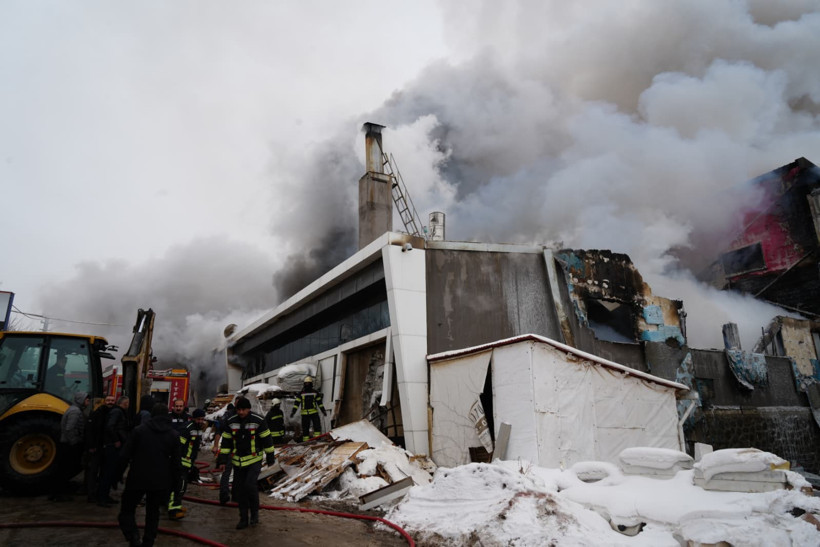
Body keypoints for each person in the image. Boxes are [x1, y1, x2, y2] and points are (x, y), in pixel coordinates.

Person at [118, 403, 181, 547]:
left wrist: (117, 475)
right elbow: (177, 464)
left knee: (126, 510)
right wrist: (176, 486)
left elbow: (124, 455)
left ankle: (133, 537)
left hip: (137, 478)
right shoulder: (173, 435)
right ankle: (148, 543)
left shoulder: (139, 431)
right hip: (160, 481)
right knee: (153, 514)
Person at [217, 396, 275, 529]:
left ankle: (254, 513)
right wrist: (222, 460)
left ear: (249, 409)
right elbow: (226, 443)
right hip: (238, 462)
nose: (241, 412)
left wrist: (270, 457)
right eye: (239, 410)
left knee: (250, 485)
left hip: (254, 460)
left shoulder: (258, 420)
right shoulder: (231, 422)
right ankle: (243, 518)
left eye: (243, 410)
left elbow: (267, 439)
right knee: (240, 490)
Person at [48, 391, 89, 502]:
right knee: (65, 469)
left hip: (67, 443)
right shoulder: (75, 412)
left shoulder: (73, 409)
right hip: (69, 445)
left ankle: (57, 492)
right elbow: (69, 428)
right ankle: (59, 494)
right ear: (81, 400)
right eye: (86, 400)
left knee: (62, 468)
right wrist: (74, 442)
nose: (88, 402)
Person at [168, 408, 206, 519]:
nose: (200, 421)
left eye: (202, 419)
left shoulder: (198, 429)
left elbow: (193, 448)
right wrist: (178, 462)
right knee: (179, 486)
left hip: (188, 462)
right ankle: (173, 509)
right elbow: (179, 446)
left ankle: (177, 505)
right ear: (193, 418)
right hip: (181, 462)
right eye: (198, 419)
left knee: (182, 486)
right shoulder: (187, 428)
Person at [98, 395, 131, 507]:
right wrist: (116, 440)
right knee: (108, 472)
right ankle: (102, 498)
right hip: (112, 447)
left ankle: (105, 496)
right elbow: (110, 427)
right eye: (127, 403)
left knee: (110, 472)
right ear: (125, 403)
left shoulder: (117, 412)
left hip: (113, 445)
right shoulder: (117, 413)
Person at [84, 394, 115, 503]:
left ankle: (99, 493)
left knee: (102, 472)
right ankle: (91, 494)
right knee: (93, 471)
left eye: (112, 400)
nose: (110, 402)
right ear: (104, 401)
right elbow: (91, 431)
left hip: (104, 447)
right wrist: (92, 446)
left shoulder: (111, 413)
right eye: (108, 400)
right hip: (97, 447)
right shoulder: (98, 413)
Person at [213, 402, 236, 505]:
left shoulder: (225, 417)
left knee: (226, 473)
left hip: (228, 449)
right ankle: (234, 496)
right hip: (233, 450)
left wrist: (216, 445)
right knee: (237, 473)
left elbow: (218, 431)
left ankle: (224, 497)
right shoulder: (234, 418)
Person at [290, 376, 326, 441]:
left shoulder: (315, 392)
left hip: (313, 413)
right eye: (306, 383)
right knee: (305, 429)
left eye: (308, 383)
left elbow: (319, 403)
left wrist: (323, 410)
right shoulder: (301, 393)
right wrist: (293, 411)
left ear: (311, 383)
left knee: (317, 427)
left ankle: (317, 440)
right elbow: (296, 404)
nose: (307, 384)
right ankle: (306, 442)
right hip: (305, 414)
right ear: (304, 384)